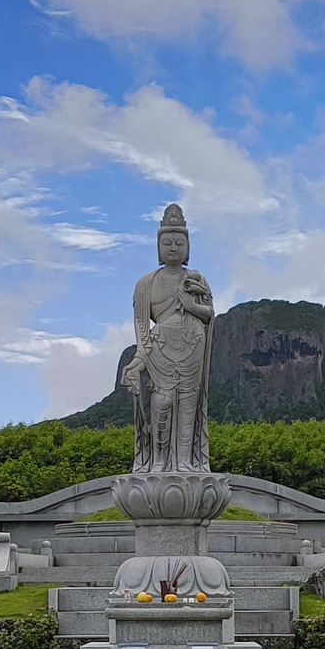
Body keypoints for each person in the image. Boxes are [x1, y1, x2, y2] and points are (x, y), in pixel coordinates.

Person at [124, 203, 215, 474]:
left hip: (192, 348)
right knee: (162, 404)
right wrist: (137, 363)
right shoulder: (145, 285)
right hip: (160, 351)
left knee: (188, 405)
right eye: (167, 243)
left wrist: (190, 306)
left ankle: (185, 461)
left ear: (188, 248)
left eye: (178, 242)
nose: (173, 248)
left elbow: (209, 314)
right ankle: (159, 461)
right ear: (158, 248)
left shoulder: (197, 279)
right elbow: (142, 329)